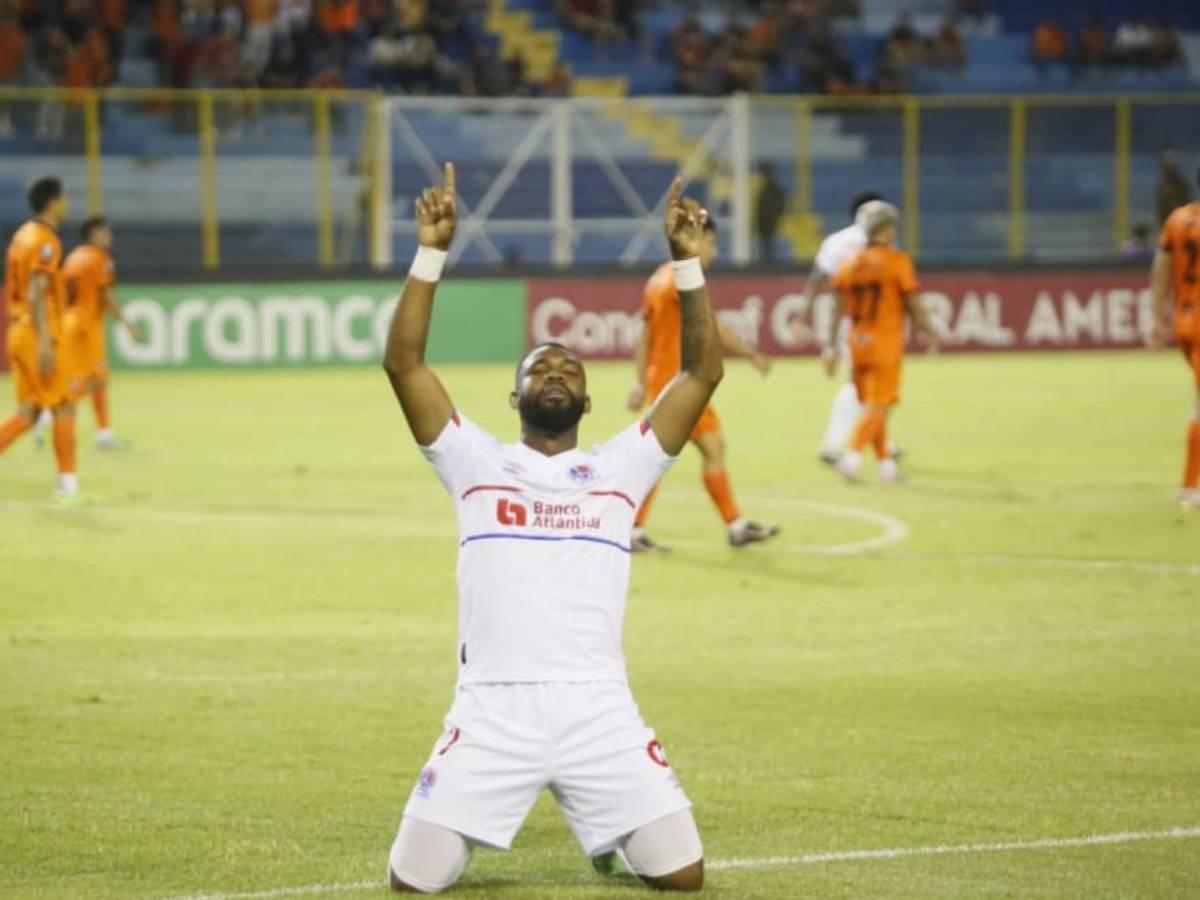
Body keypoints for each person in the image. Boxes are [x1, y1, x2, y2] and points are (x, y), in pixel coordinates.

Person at [382, 164, 712, 894]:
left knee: (682, 876)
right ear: (516, 396)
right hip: (494, 707)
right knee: (414, 881)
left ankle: (611, 841)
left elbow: (699, 376)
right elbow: (402, 361)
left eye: (568, 368)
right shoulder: (473, 462)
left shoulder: (621, 470)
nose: (556, 372)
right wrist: (430, 253)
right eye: (540, 368)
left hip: (599, 705)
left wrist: (686, 263)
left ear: (590, 404)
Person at [626, 219, 778, 552]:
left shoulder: (658, 279)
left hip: (664, 380)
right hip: (683, 382)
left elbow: (645, 334)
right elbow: (715, 329)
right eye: (711, 243)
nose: (715, 251)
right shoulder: (682, 282)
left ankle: (733, 525)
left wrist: (640, 382)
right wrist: (752, 354)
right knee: (705, 449)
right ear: (694, 242)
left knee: (694, 450)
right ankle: (635, 529)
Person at [825, 201, 940, 483]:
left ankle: (886, 465)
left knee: (870, 405)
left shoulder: (849, 263)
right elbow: (912, 302)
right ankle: (851, 458)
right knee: (880, 406)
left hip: (857, 341)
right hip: (884, 341)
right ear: (888, 230)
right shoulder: (896, 261)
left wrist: (830, 345)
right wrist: (929, 330)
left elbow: (836, 307)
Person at [799, 190, 903, 466]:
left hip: (842, 319)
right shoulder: (879, 245)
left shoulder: (834, 242)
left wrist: (805, 314)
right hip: (872, 325)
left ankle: (879, 447)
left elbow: (818, 279)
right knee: (864, 385)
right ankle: (837, 445)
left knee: (862, 384)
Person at [0, 176, 82, 500]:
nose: (67, 204)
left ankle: (67, 484)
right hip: (36, 333)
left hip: (18, 329)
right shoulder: (46, 240)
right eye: (64, 198)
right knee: (64, 405)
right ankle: (68, 486)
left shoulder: (22, 235)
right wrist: (46, 341)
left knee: (28, 412)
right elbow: (37, 291)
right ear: (52, 202)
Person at [59, 216, 141, 449]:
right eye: (106, 231)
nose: (110, 236)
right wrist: (127, 325)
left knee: (96, 378)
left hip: (69, 322)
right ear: (94, 233)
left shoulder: (73, 257)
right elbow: (106, 295)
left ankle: (103, 433)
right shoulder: (100, 258)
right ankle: (52, 407)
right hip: (87, 326)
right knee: (92, 379)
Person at [1149, 168, 1200, 510]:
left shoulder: (1177, 220)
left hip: (1185, 320)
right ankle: (1189, 486)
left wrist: (1157, 319)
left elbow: (1160, 268)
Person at [754, 161, 787, 263]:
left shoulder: (772, 189)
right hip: (764, 225)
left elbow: (780, 204)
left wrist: (774, 217)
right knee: (765, 250)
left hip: (768, 225)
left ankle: (768, 267)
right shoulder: (764, 188)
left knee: (768, 250)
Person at [1157, 152, 1192, 227]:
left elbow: (1188, 203)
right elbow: (1161, 209)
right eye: (1167, 166)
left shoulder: (1182, 185)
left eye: (1171, 166)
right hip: (1168, 221)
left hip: (1181, 222)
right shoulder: (1162, 186)